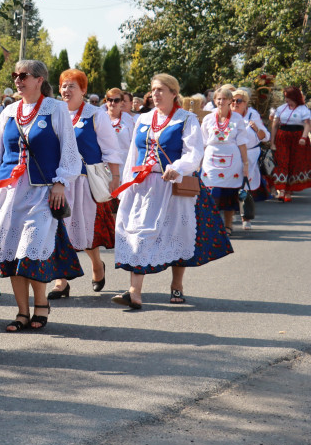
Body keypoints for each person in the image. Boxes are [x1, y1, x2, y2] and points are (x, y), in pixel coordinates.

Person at [112, 74, 232, 308]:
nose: (155, 94)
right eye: (153, 89)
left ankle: (176, 284)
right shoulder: (143, 118)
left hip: (172, 186)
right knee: (138, 234)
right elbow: (132, 155)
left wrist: (176, 168)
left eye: (161, 90)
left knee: (177, 234)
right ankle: (134, 292)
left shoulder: (186, 119)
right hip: (143, 185)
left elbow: (194, 152)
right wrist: (126, 185)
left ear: (173, 93)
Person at [0, 60, 84, 331]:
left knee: (30, 250)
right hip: (8, 194)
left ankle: (41, 304)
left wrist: (61, 182)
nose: (18, 80)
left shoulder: (56, 109)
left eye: (24, 76)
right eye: (15, 75)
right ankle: (21, 311)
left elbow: (69, 149)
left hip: (42, 192)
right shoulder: (8, 112)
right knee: (11, 254)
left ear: (39, 80)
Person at [47, 70, 122, 299]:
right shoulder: (54, 113)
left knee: (87, 231)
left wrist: (115, 177)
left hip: (86, 181)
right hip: (60, 182)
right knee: (58, 230)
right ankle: (61, 281)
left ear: (83, 90)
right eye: (63, 86)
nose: (66, 91)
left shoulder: (94, 115)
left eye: (72, 86)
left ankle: (97, 265)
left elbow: (110, 148)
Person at [200, 86, 249, 235]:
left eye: (224, 99)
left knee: (229, 195)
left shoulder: (237, 119)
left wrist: (245, 163)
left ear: (230, 101)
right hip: (211, 160)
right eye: (218, 98)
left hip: (232, 160)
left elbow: (241, 142)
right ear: (214, 100)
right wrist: (198, 163)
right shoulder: (208, 118)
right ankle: (212, 225)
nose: (221, 101)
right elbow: (202, 142)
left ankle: (228, 226)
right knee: (211, 194)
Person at [231, 89, 270, 228]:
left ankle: (246, 217)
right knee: (232, 184)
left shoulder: (253, 114)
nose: (235, 103)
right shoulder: (227, 114)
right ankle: (230, 215)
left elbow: (264, 136)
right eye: (233, 100)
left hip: (250, 154)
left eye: (239, 100)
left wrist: (255, 129)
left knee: (245, 185)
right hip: (232, 155)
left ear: (245, 103)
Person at [268, 86, 311, 202]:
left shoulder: (303, 109)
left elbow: (307, 124)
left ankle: (288, 191)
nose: (286, 99)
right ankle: (281, 189)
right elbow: (275, 125)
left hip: (298, 138)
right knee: (282, 161)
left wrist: (304, 137)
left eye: (288, 97)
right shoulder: (281, 108)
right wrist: (272, 142)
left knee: (294, 163)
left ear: (295, 97)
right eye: (285, 97)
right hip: (282, 137)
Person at [105, 88, 136, 163]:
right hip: (105, 163)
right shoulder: (99, 118)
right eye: (110, 100)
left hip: (124, 162)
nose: (112, 103)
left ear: (121, 102)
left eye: (116, 100)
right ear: (106, 101)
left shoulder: (128, 119)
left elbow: (134, 143)